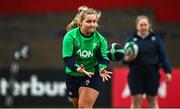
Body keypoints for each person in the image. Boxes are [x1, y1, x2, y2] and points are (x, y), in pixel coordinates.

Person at [62, 6, 112, 108]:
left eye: (94, 21)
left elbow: (104, 58)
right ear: (81, 22)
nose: (92, 24)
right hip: (73, 75)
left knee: (83, 107)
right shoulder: (70, 36)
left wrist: (103, 67)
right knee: (77, 106)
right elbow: (68, 59)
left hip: (92, 74)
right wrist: (77, 68)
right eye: (89, 21)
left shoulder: (101, 40)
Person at [124, 15, 172, 108]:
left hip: (152, 74)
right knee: (136, 99)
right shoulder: (130, 40)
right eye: (141, 25)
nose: (143, 27)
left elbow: (163, 57)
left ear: (149, 25)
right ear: (137, 26)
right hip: (135, 74)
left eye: (145, 25)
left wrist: (168, 71)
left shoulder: (156, 40)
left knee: (152, 99)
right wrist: (127, 59)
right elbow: (124, 59)